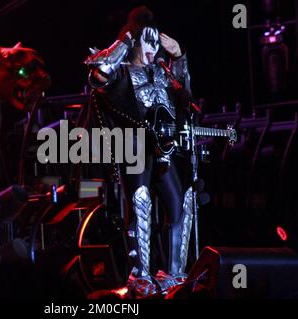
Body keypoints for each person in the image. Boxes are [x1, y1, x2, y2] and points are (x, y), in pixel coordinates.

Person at [85, 6, 194, 298]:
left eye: (156, 42)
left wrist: (180, 55)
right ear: (134, 40)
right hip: (134, 147)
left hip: (164, 149)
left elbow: (185, 96)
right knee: (141, 202)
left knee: (180, 203)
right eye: (147, 41)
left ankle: (174, 272)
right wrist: (125, 41)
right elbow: (98, 76)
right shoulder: (120, 72)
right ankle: (141, 274)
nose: (153, 48)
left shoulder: (162, 71)